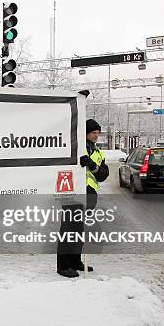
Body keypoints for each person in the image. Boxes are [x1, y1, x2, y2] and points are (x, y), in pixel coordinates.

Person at [56, 118, 109, 278]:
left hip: (89, 195)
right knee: (68, 230)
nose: (96, 136)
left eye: (98, 133)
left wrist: (93, 165)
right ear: (85, 132)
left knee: (79, 230)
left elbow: (103, 175)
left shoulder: (98, 153)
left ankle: (75, 261)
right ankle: (63, 265)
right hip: (72, 196)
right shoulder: (76, 148)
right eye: (93, 132)